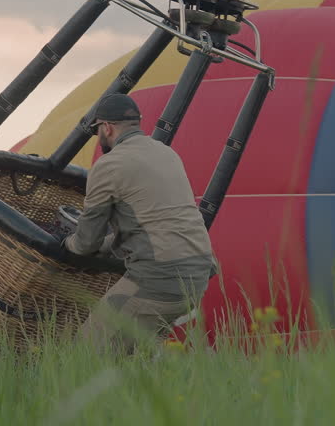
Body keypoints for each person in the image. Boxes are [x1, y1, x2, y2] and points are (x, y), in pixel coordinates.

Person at [61, 92, 218, 353]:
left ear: (106, 127)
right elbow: (155, 223)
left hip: (159, 278)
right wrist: (109, 244)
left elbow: (85, 243)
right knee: (131, 354)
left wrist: (65, 241)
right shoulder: (167, 154)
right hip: (200, 271)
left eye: (97, 130)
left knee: (85, 353)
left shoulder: (109, 164)